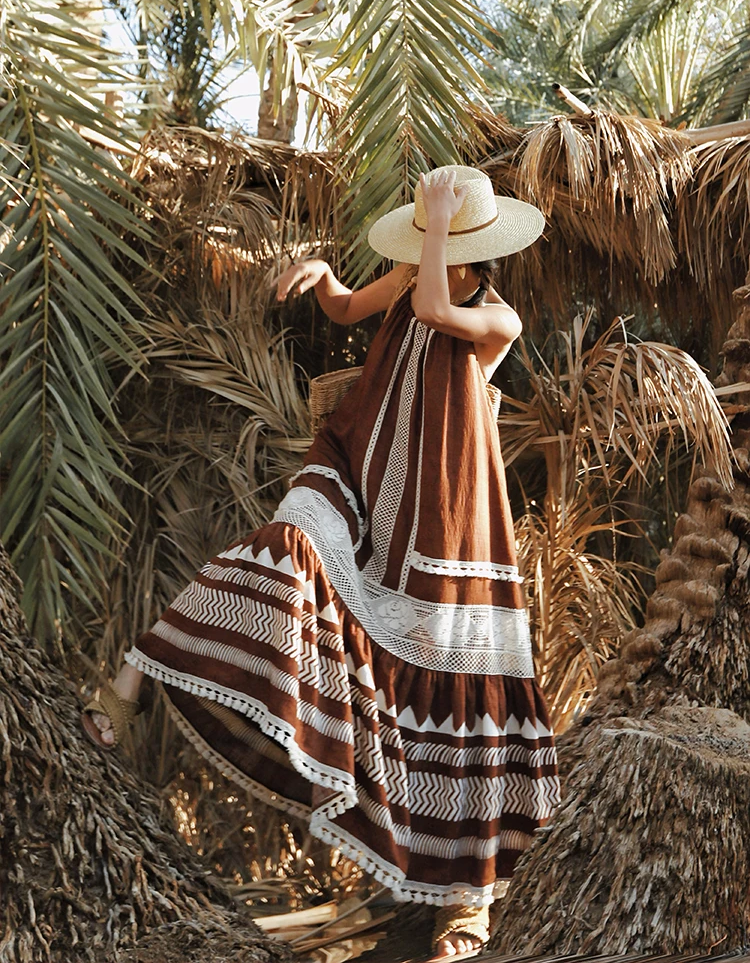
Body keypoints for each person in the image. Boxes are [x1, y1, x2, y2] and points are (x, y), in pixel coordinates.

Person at [81, 166, 560, 960]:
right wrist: (329, 279)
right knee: (280, 551)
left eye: (436, 237)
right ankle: (131, 678)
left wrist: (432, 224)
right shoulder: (412, 276)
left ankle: (462, 905)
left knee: (451, 670)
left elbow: (440, 310)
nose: (417, 256)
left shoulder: (496, 316)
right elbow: (348, 308)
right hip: (356, 467)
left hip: (442, 516)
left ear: (470, 244)